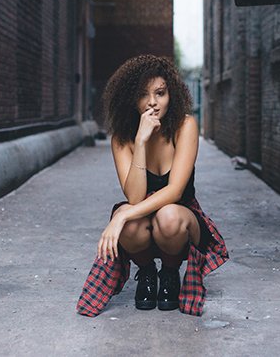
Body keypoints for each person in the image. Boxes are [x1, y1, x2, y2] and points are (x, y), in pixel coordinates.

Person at [77, 55, 228, 317]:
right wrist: (141, 140)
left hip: (179, 218)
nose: (152, 103)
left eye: (160, 93)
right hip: (143, 218)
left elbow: (175, 192)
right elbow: (134, 197)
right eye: (143, 95)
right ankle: (146, 273)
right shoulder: (123, 138)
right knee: (131, 224)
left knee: (165, 215)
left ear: (172, 94)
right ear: (130, 99)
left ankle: (169, 274)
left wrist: (121, 216)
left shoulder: (186, 126)